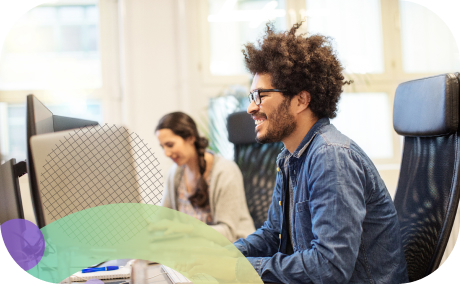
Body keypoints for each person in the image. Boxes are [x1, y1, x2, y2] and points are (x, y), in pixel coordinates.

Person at [229, 22, 409, 283]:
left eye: (260, 95)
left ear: (301, 100)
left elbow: (329, 267)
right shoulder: (289, 158)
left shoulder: (331, 157)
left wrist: (240, 270)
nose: (250, 108)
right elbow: (273, 234)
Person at [155, 111, 255, 242]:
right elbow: (164, 219)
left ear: (190, 138)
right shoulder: (175, 173)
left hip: (235, 251)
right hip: (195, 254)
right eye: (162, 147)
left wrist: (186, 229)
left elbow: (228, 234)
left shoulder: (225, 172)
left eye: (170, 145)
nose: (166, 153)